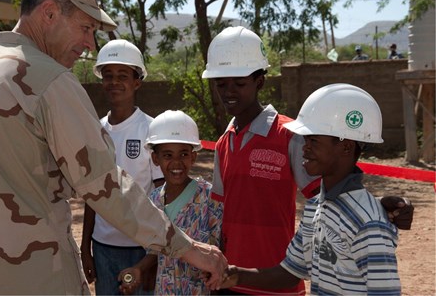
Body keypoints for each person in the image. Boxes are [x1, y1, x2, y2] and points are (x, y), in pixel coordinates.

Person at [0, 0, 227, 295]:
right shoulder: (49, 80)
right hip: (36, 279)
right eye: (86, 27)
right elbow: (105, 185)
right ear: (49, 13)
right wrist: (188, 248)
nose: (90, 43)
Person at [201, 26, 413, 295]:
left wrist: (380, 206)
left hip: (276, 284)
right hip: (238, 278)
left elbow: (336, 191)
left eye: (239, 83)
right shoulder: (224, 142)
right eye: (221, 84)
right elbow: (220, 215)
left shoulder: (290, 136)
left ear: (260, 82)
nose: (229, 91)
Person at [220, 83, 401, 295]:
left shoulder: (369, 224)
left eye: (313, 140)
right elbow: (289, 272)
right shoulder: (316, 206)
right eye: (306, 139)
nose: (304, 147)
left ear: (346, 147)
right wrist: (235, 275)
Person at [81, 39, 164, 295]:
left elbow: (163, 197)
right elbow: (91, 195)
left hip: (142, 249)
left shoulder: (152, 130)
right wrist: (86, 249)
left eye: (122, 75)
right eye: (108, 75)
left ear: (137, 81)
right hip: (103, 247)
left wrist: (155, 257)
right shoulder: (95, 130)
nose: (114, 81)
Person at [118, 110, 223, 295]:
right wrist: (139, 269)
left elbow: (221, 251)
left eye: (183, 154)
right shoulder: (154, 200)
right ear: (155, 159)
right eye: (167, 155)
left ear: (193, 157)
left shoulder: (209, 198)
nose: (176, 163)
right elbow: (155, 250)